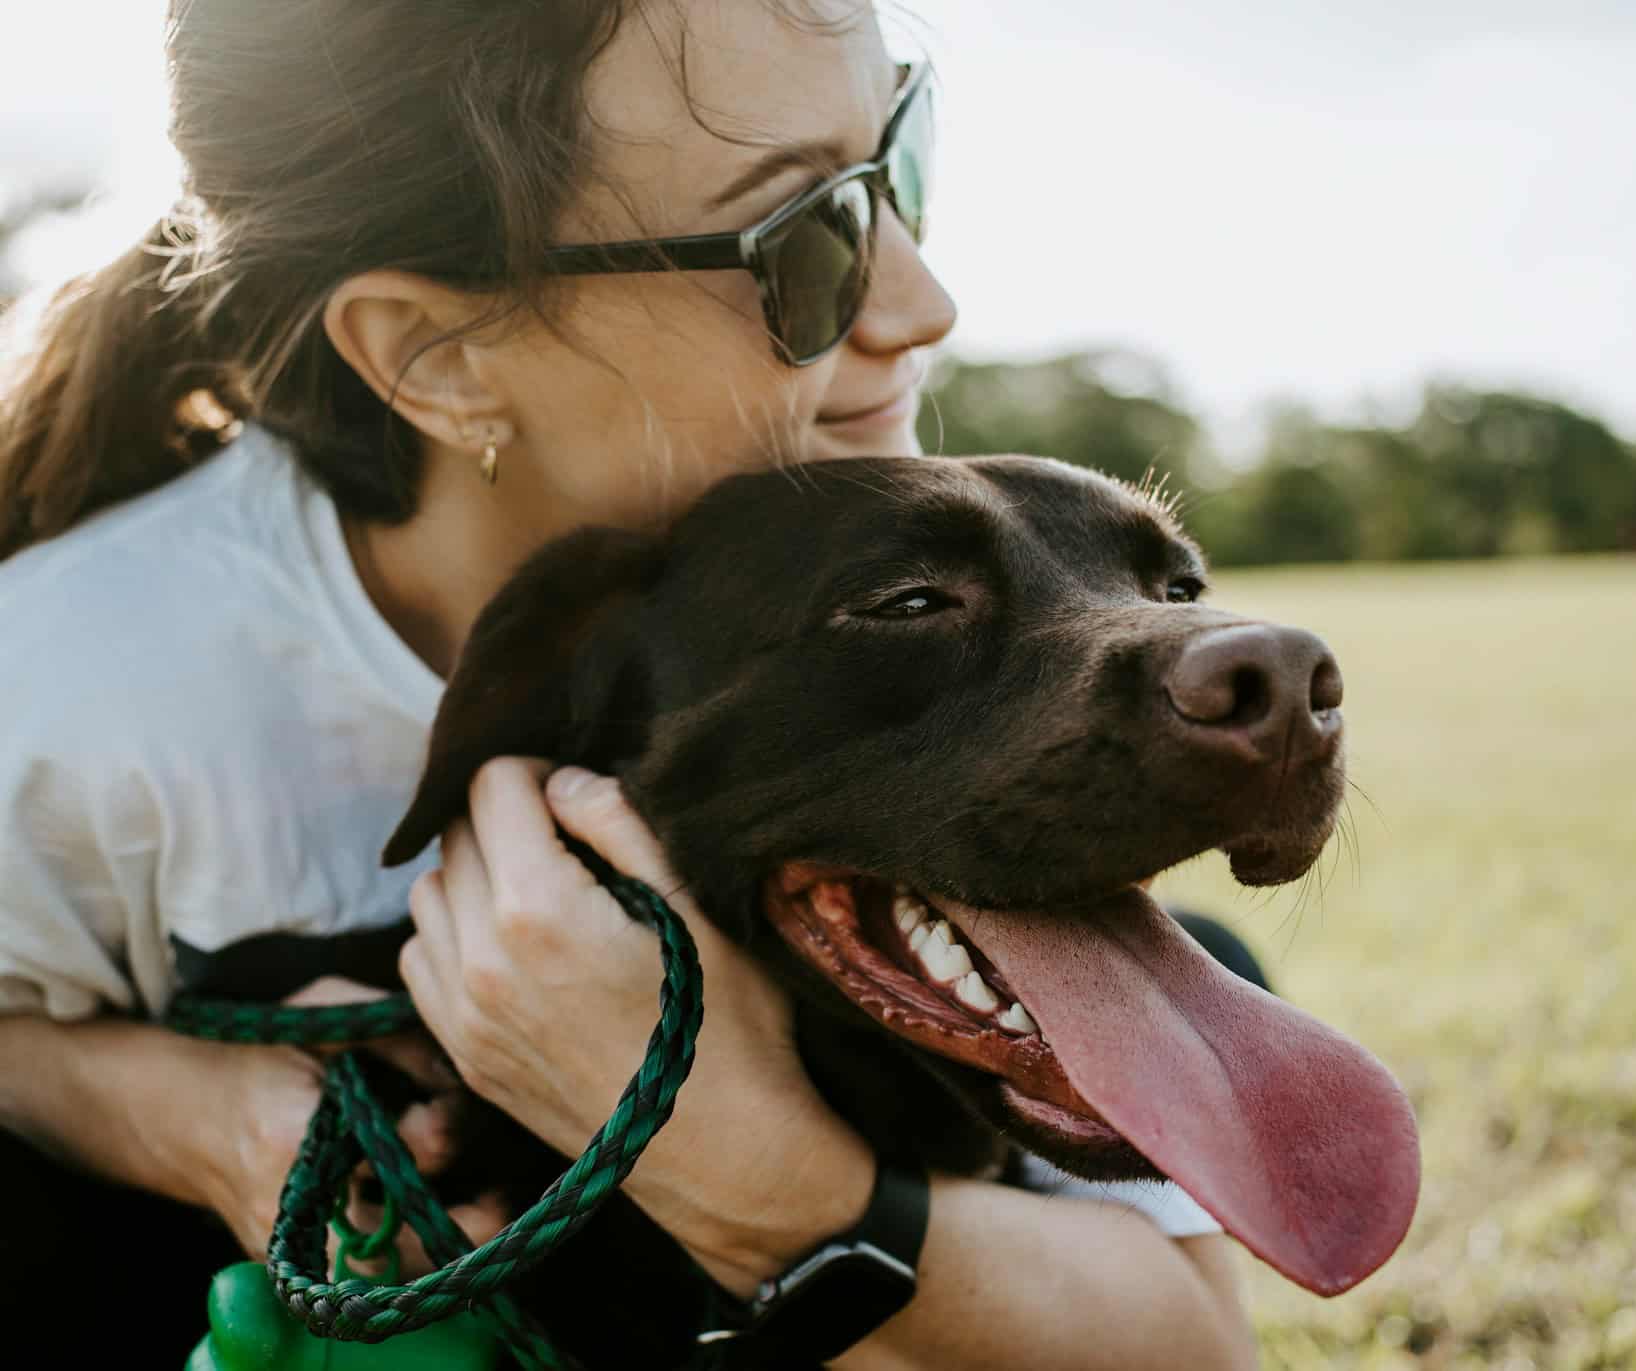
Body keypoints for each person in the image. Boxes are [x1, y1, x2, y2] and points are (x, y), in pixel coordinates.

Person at [0, 2, 1263, 1366]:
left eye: (900, 157)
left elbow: (1192, 1350)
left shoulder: (897, 518)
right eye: (805, 240)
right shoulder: (75, 687)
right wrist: (200, 1116)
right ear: (440, 355)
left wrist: (738, 1154)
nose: (922, 302)